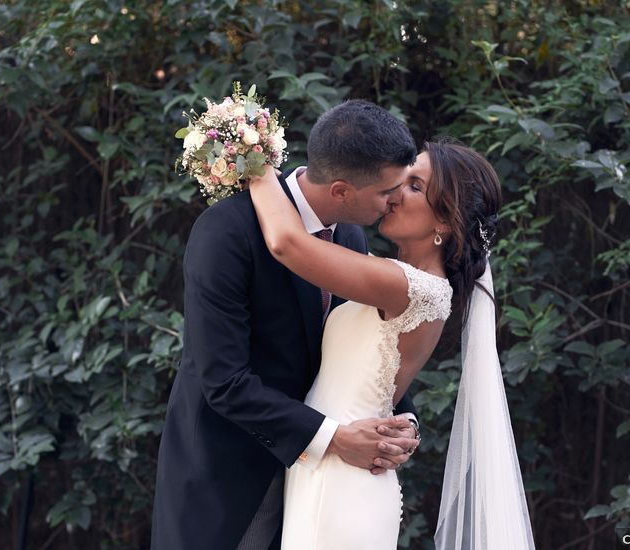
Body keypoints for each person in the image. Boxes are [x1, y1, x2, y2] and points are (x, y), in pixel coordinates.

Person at [151, 100, 424, 550]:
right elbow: (224, 381)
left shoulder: (352, 235)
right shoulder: (227, 233)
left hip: (320, 486)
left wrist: (402, 420)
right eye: (386, 192)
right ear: (341, 190)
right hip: (228, 474)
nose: (396, 201)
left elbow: (363, 340)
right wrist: (334, 439)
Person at [248, 140, 535, 548]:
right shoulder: (400, 278)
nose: (396, 191)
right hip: (332, 464)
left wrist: (249, 157)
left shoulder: (410, 287)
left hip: (342, 481)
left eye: (415, 186)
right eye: (404, 176)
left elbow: (286, 243)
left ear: (445, 224)